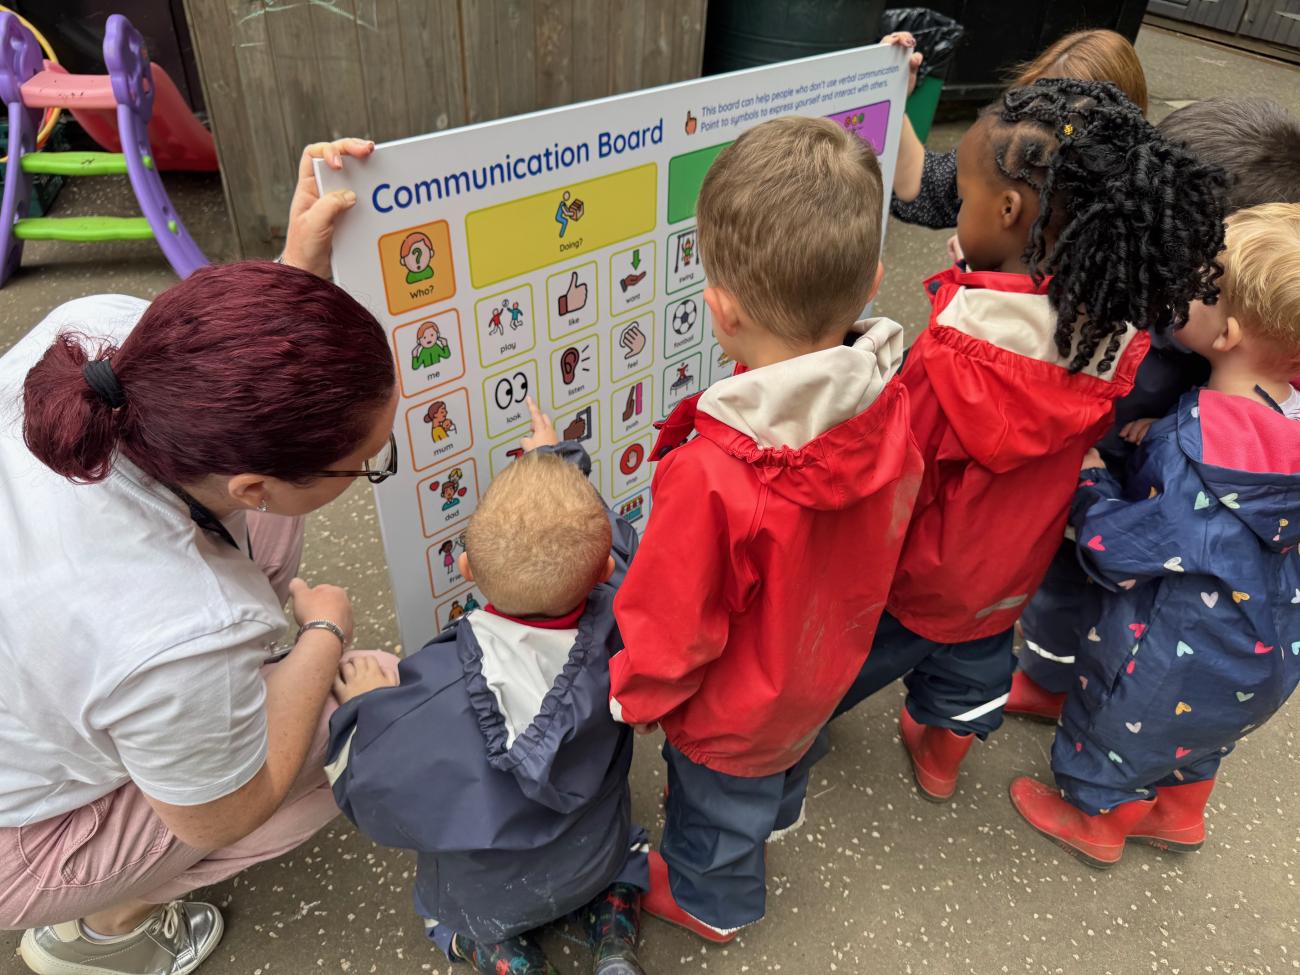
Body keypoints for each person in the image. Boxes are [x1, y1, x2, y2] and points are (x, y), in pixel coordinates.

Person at [0, 139, 404, 975]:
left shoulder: (106, 341)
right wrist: (325, 634)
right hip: (20, 834)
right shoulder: (175, 626)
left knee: (261, 574)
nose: (371, 468)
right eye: (366, 463)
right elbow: (225, 810)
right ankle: (102, 934)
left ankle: (184, 724)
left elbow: (223, 382)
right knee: (374, 715)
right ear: (252, 483)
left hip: (44, 670)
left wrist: (292, 278)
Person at [834, 79, 1227, 802]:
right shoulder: (1107, 340)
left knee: (851, 660)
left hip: (922, 572)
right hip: (1011, 572)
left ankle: (798, 735)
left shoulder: (952, 359)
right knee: (969, 672)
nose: (959, 211)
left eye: (965, 200)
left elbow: (896, 465)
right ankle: (940, 760)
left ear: (1009, 210)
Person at [607, 117, 923, 942]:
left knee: (714, 809)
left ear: (722, 311)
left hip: (734, 712)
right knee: (783, 762)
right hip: (820, 664)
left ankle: (713, 901)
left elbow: (673, 621)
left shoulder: (715, 471)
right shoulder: (892, 400)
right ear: (872, 282)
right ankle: (775, 813)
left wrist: (635, 695)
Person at [1010, 203, 1300, 868]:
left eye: (1200, 282)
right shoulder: (1285, 418)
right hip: (1261, 651)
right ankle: (1179, 814)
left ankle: (1094, 820)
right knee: (1195, 739)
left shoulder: (1195, 462)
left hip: (1173, 652)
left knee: (1114, 728)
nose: (1183, 282)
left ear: (1227, 333)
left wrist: (1092, 484)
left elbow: (1119, 550)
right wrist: (1167, 429)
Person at [327, 399, 647, 975]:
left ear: (467, 570)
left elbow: (370, 794)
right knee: (624, 855)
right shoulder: (628, 612)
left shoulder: (439, 685)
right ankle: (614, 931)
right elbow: (618, 545)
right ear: (603, 571)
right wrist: (555, 461)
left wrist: (363, 707)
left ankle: (503, 954)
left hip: (494, 895)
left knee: (444, 915)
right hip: (595, 857)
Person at [1009, 95, 1300, 719]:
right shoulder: (1263, 346)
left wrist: (1093, 485)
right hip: (1138, 504)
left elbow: (1120, 540)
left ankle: (1047, 678)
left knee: (1069, 584)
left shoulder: (1186, 326)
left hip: (1112, 503)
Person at [886, 29, 1148, 236]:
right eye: (1023, 106)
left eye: (1049, 120)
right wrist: (892, 99)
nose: (1024, 129)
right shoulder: (1005, 155)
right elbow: (926, 187)